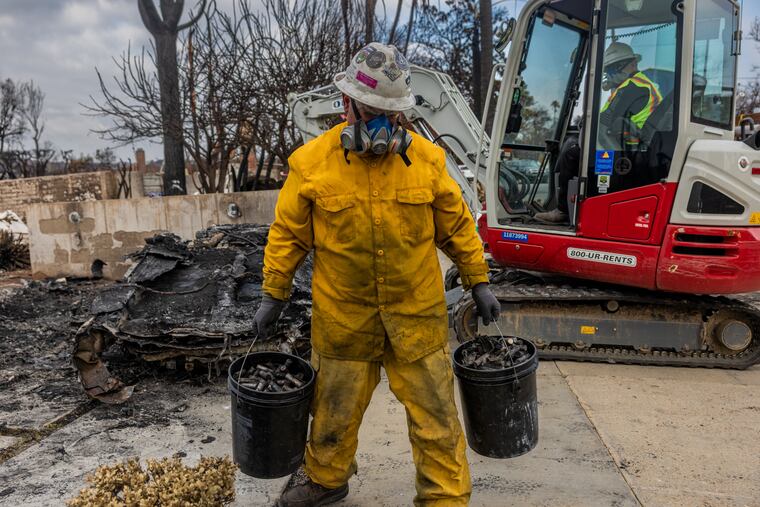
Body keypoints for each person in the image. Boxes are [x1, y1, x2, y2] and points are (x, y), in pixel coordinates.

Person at [254, 42, 500, 507]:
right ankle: (326, 480)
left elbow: (457, 225)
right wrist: (274, 292)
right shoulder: (310, 166)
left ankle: (445, 497)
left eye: (392, 114)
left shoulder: (427, 162)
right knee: (332, 413)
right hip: (344, 321)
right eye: (371, 112)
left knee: (436, 417)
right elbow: (287, 234)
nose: (383, 126)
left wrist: (478, 279)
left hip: (416, 318)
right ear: (346, 105)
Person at [535, 41, 662, 224]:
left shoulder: (634, 86)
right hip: (633, 142)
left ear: (630, 64)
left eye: (611, 69)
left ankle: (562, 209)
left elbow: (606, 120)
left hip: (630, 147)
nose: (608, 74)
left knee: (570, 148)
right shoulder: (640, 84)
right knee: (575, 143)